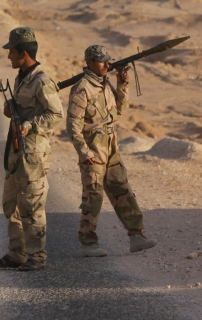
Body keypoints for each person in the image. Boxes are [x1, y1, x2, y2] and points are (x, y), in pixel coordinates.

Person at [66, 45, 157, 257]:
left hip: (111, 143)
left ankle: (137, 236)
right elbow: (72, 125)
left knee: (121, 188)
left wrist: (122, 85)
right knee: (93, 194)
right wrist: (84, 152)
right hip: (93, 146)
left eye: (108, 61)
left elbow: (118, 111)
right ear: (89, 63)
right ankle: (87, 243)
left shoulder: (105, 84)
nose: (107, 65)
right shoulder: (82, 88)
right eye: (101, 61)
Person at [0, 27, 63, 272]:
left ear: (24, 53)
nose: (8, 56)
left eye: (11, 51)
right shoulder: (22, 78)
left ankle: (37, 256)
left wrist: (30, 125)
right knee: (10, 204)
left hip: (33, 154)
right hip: (16, 153)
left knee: (32, 206)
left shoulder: (42, 81)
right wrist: (11, 108)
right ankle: (17, 253)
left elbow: (55, 114)